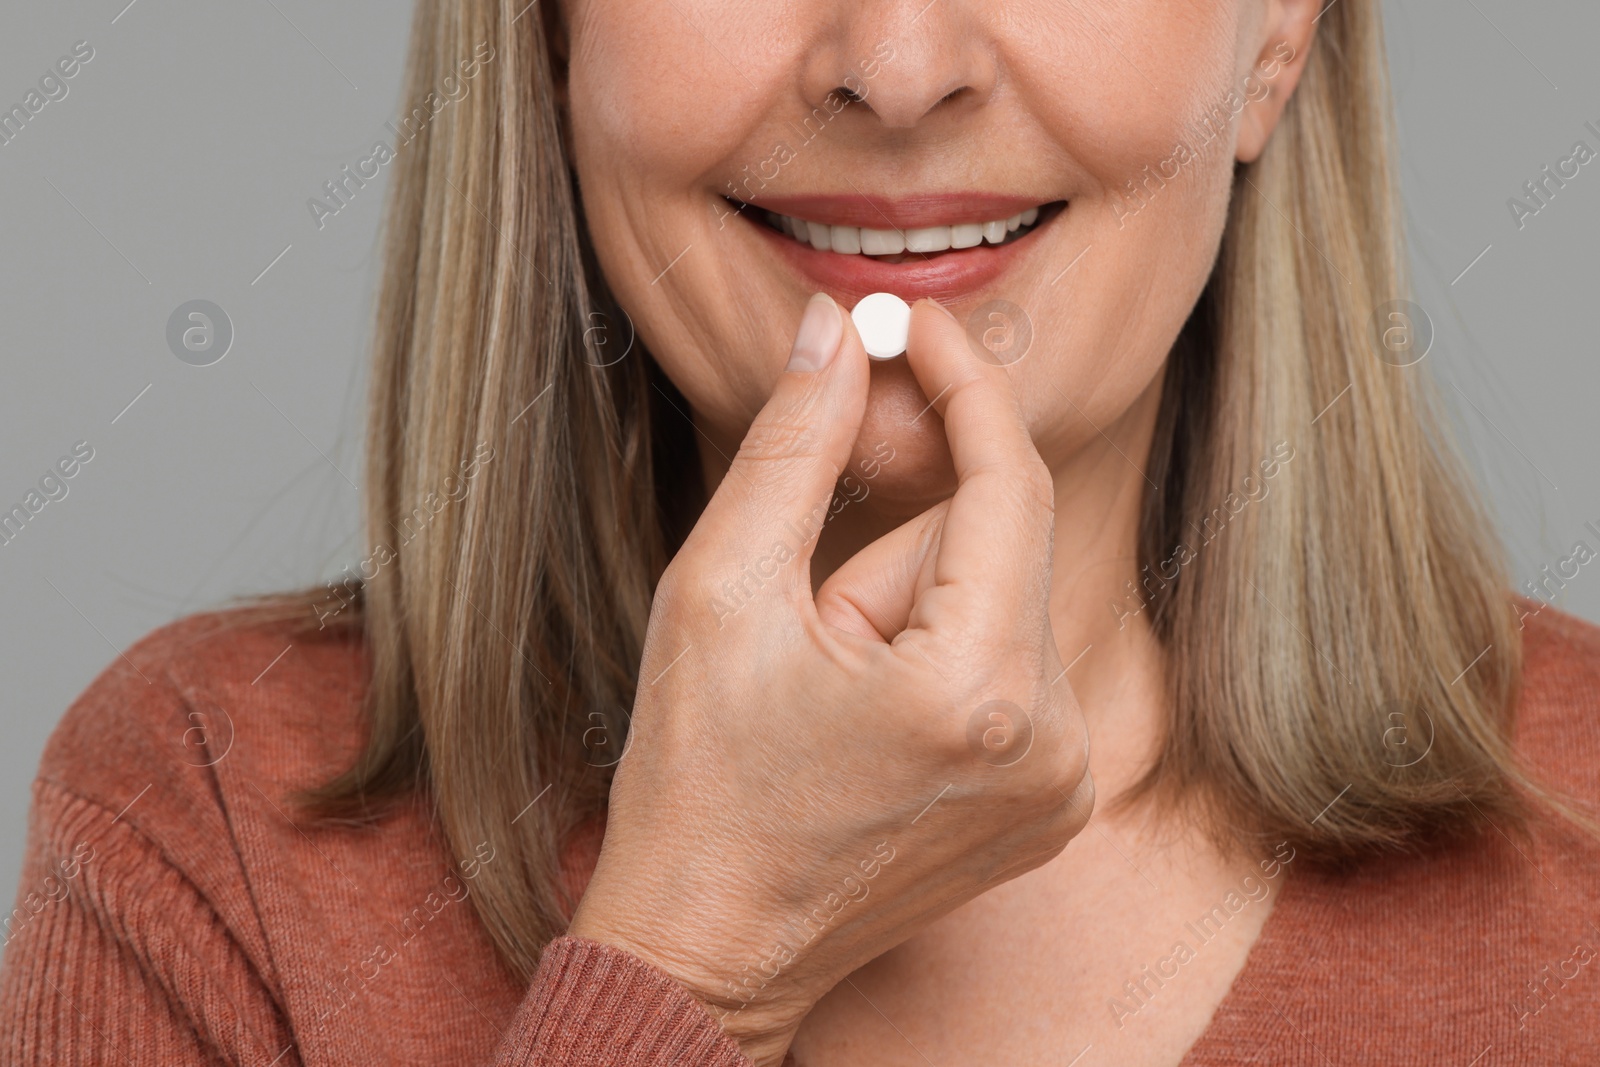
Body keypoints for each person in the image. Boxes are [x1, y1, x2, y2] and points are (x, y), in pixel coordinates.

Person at [4, 0, 1598, 1063]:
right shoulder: (200, 830)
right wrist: (693, 969)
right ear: (555, 35)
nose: (897, 70)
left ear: (1274, 39)